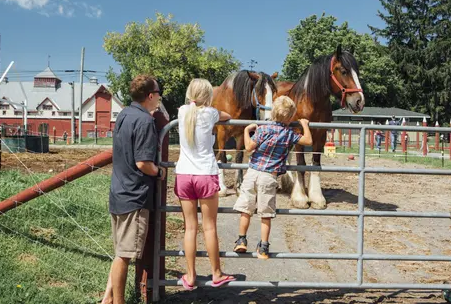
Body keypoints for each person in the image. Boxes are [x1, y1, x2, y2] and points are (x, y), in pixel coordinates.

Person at [102, 74, 166, 304]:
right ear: (150, 95)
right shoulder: (146, 121)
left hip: (118, 191)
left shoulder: (124, 114)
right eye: (158, 93)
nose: (159, 97)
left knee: (121, 251)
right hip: (135, 196)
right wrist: (159, 171)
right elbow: (143, 163)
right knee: (124, 256)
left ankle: (107, 299)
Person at [232, 96, 312, 259]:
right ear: (290, 117)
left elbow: (248, 147)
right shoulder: (289, 134)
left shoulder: (263, 129)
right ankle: (263, 247)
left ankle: (241, 240)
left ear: (273, 113)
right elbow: (308, 140)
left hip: (252, 173)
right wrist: (304, 125)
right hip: (269, 177)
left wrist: (247, 131)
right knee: (266, 213)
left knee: (246, 210)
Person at [174, 78, 236, 290]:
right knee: (209, 227)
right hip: (205, 175)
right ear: (208, 96)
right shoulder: (211, 113)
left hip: (183, 174)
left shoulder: (182, 112)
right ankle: (216, 273)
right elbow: (229, 116)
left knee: (189, 228)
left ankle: (190, 276)